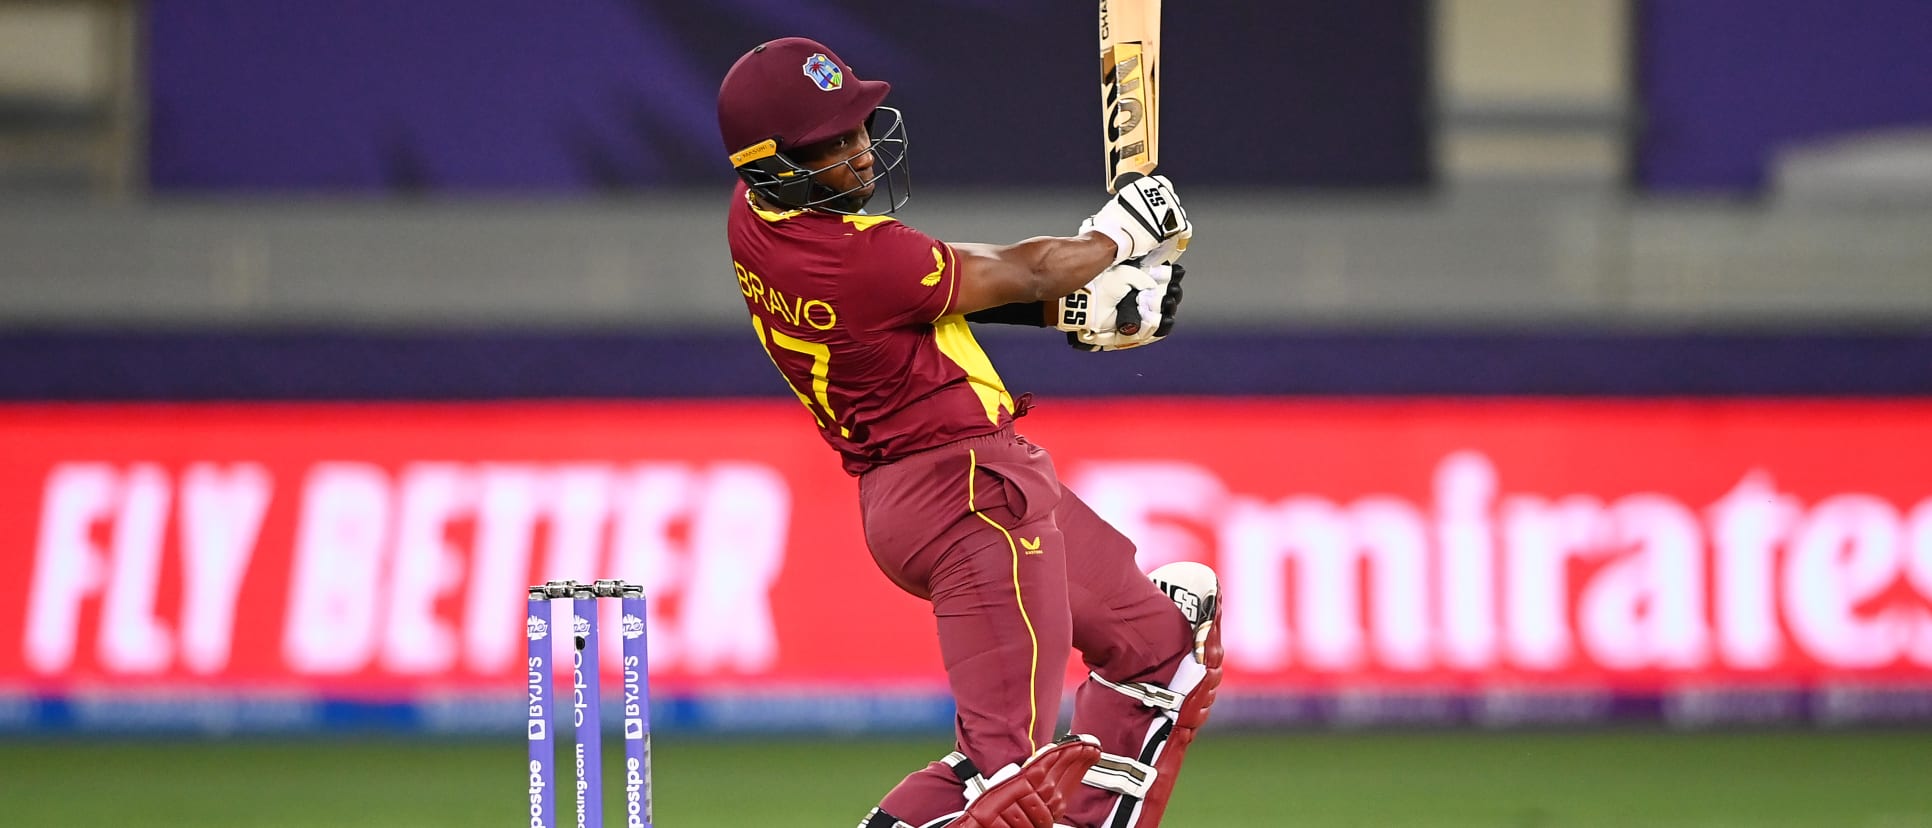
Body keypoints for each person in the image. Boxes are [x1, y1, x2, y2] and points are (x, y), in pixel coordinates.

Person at [716, 37, 1222, 828]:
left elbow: (936, 297)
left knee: (1158, 651)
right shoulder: (855, 260)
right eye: (832, 146)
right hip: (970, 503)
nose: (859, 154)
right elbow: (1021, 270)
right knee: (1005, 783)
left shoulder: (754, 221)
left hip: (964, 491)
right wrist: (1116, 238)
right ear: (773, 162)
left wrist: (1088, 307)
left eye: (856, 130)